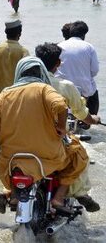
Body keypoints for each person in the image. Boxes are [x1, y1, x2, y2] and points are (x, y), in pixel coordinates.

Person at [0, 57, 88, 214]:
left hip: (12, 157)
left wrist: (0, 142)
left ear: (19, 73)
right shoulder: (44, 89)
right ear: (41, 73)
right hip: (47, 156)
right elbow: (61, 105)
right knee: (78, 155)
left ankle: (13, 194)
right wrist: (61, 127)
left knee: (13, 167)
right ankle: (59, 198)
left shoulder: (5, 93)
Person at [35, 42, 101, 212]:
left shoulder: (22, 86)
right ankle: (68, 195)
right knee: (80, 156)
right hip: (53, 141)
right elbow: (81, 114)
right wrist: (93, 119)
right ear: (58, 63)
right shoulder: (64, 86)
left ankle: (9, 194)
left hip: (25, 139)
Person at [56, 21, 100, 114]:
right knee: (93, 91)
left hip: (62, 89)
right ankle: (91, 117)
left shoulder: (59, 46)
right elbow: (94, 71)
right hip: (84, 91)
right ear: (84, 35)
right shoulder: (89, 47)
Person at [0, 20, 28, 100]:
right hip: (17, 95)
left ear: (6, 33)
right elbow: (26, 77)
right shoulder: (23, 51)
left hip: (0, 95)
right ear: (19, 34)